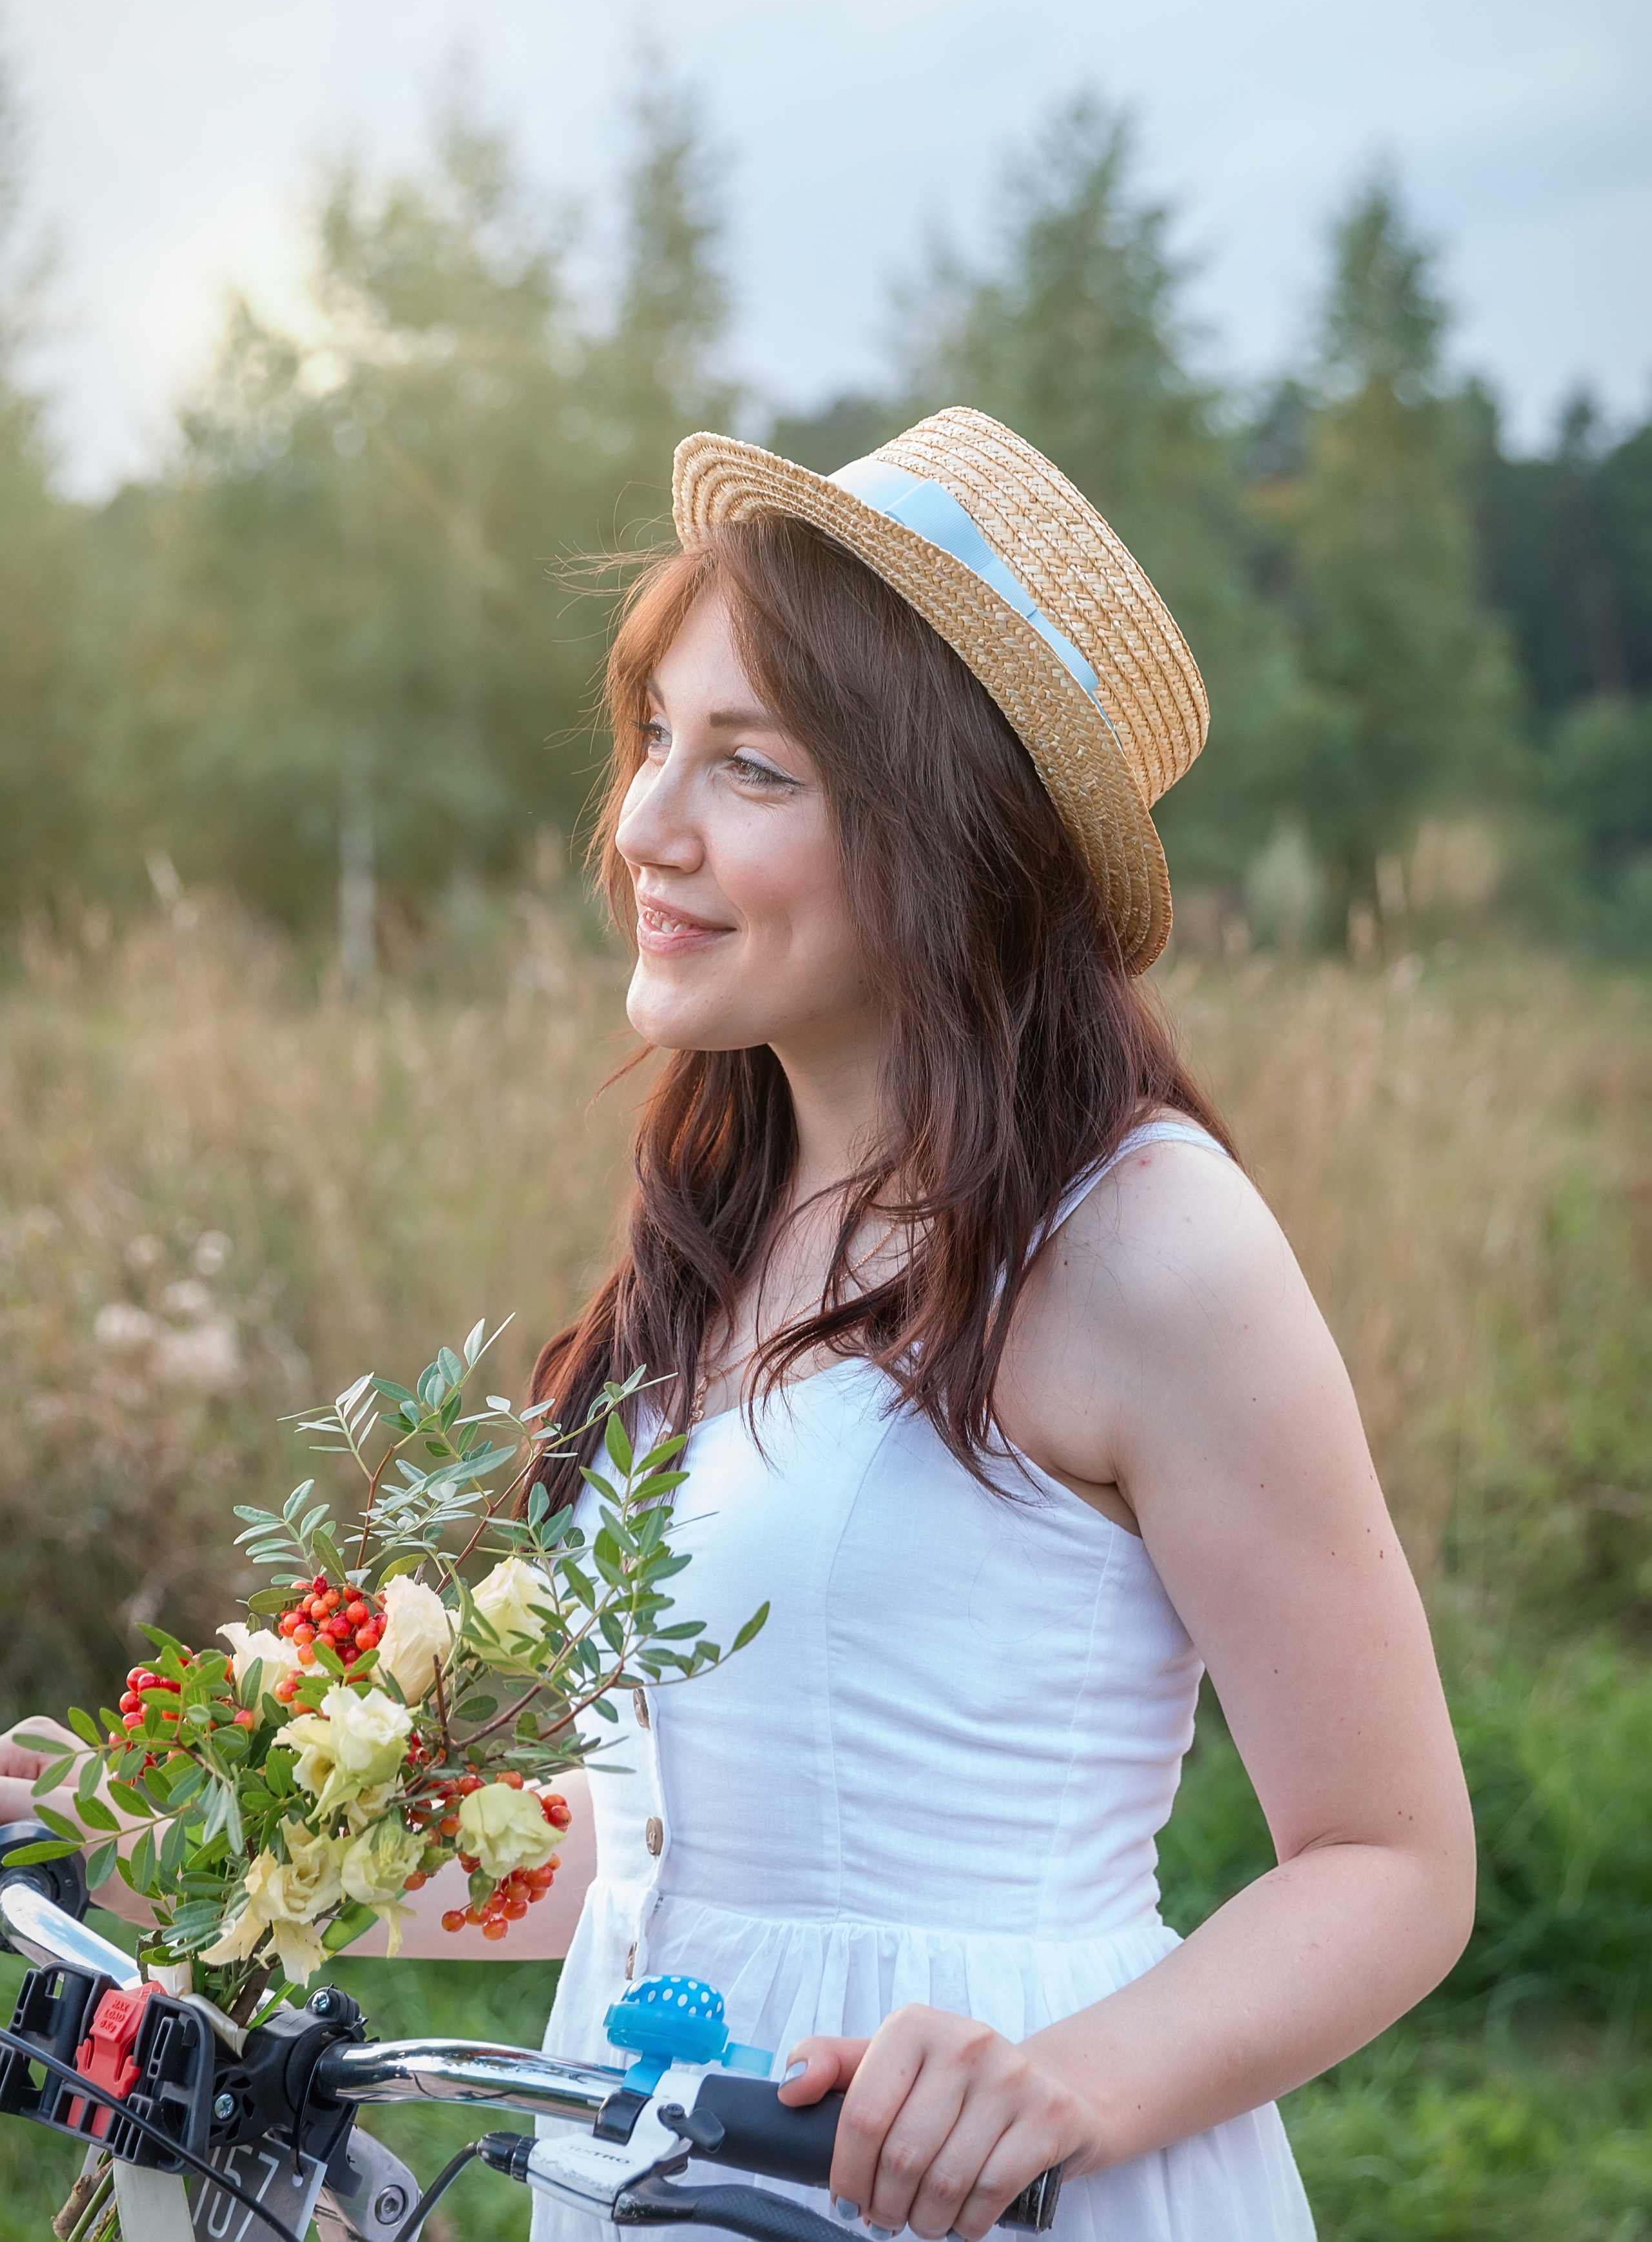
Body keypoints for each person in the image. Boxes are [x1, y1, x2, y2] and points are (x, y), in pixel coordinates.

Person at [509, 409, 1475, 2242]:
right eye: (654, 738)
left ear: (945, 831)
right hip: (669, 2168)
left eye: (751, 768)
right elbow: (694, 1846)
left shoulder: (1141, 1241)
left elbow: (1395, 1861)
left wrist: (1071, 2087)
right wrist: (212, 1836)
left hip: (998, 2195)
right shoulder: (722, 1208)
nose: (643, 825)